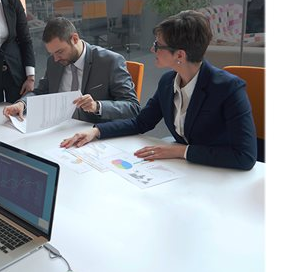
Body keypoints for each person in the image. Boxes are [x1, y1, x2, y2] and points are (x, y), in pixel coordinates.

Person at [60, 10, 257, 171]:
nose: (152, 50)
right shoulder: (168, 82)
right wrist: (96, 131)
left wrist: (181, 151)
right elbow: (141, 122)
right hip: (188, 170)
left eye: (158, 45)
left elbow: (245, 156)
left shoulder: (228, 89)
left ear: (180, 55)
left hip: (221, 173)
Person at [3, 17, 140, 123]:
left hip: (93, 133)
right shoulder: (54, 62)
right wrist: (22, 104)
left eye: (59, 52)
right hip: (58, 129)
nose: (56, 59)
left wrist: (97, 106)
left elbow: (133, 107)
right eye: (52, 53)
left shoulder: (110, 61)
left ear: (75, 39)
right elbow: (41, 91)